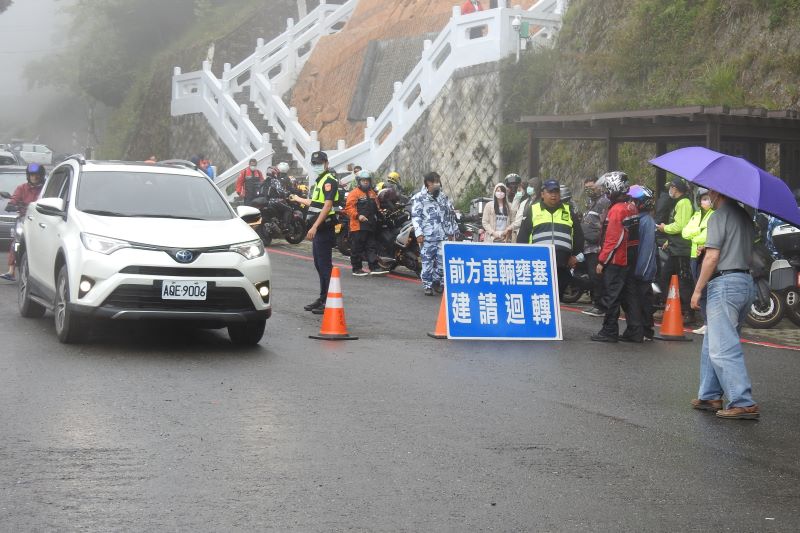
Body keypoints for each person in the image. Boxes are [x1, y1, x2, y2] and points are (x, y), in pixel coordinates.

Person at [690, 189, 758, 420]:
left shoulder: (719, 216)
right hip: (746, 281)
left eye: (710, 192)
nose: (709, 195)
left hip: (725, 283)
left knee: (722, 346)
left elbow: (712, 257)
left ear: (717, 193)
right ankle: (709, 394)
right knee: (714, 339)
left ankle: (743, 401)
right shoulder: (745, 216)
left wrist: (698, 289)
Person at [290, 151, 340, 314]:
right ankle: (322, 298)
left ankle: (328, 301)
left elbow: (327, 206)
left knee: (325, 266)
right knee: (319, 265)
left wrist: (314, 227)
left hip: (324, 228)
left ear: (326, 163)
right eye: (314, 163)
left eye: (319, 163)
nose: (317, 166)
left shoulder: (329, 181)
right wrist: (297, 199)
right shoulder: (320, 181)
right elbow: (315, 203)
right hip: (319, 229)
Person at [516, 179, 584, 298]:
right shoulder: (533, 210)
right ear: (542, 194)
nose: (554, 195)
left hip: (562, 264)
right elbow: (523, 237)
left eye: (556, 192)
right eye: (550, 192)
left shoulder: (568, 211)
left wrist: (576, 257)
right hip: (538, 264)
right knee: (539, 296)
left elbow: (578, 236)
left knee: (556, 299)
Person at [590, 171, 631, 343]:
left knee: (611, 296)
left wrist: (602, 260)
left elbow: (613, 239)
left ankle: (609, 330)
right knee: (621, 296)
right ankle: (632, 329)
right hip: (625, 259)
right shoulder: (629, 207)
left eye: (607, 190)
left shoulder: (616, 210)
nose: (606, 194)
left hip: (614, 260)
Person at [619, 185, 657, 342]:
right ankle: (643, 329)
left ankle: (645, 330)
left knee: (642, 301)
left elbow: (647, 250)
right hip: (637, 268)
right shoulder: (637, 219)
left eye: (633, 201)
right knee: (639, 300)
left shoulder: (646, 221)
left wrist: (641, 272)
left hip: (641, 271)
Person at [411, 172, 458, 296]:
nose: (438, 183)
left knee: (442, 263)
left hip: (442, 235)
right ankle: (427, 284)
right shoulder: (419, 197)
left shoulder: (442, 197)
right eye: (435, 181)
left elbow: (449, 215)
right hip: (427, 236)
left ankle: (437, 281)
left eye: (438, 181)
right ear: (428, 183)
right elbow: (416, 217)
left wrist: (451, 232)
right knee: (427, 262)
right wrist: (418, 233)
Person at [657, 178, 695, 323]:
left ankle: (688, 312)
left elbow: (681, 226)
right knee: (665, 278)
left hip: (682, 249)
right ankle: (673, 308)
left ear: (676, 189)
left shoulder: (684, 203)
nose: (669, 191)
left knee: (684, 280)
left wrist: (664, 228)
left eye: (671, 188)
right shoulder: (679, 203)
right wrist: (668, 241)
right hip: (676, 247)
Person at [2, 163, 46, 281]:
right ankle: (11, 271)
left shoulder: (46, 188)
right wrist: (11, 205)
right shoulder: (22, 188)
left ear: (41, 176)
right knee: (16, 241)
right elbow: (14, 199)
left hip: (41, 221)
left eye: (37, 175)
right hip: (23, 220)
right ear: (28, 176)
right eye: (32, 175)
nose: (34, 177)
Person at [682, 188, 715, 335]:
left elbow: (706, 235)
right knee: (699, 288)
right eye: (703, 198)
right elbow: (685, 232)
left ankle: (710, 323)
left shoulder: (714, 215)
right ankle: (705, 322)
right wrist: (698, 231)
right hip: (694, 256)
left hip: (705, 255)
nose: (705, 201)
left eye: (707, 198)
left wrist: (696, 235)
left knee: (706, 289)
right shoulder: (696, 215)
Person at [344, 170, 388, 276]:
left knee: (371, 246)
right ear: (359, 181)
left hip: (370, 225)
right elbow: (349, 208)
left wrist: (381, 213)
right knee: (357, 247)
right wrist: (358, 216)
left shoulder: (372, 193)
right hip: (358, 226)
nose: (366, 182)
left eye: (367, 180)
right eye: (363, 180)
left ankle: (374, 267)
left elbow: (377, 207)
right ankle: (357, 268)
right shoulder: (354, 193)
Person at [581, 176, 611, 316]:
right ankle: (596, 303)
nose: (590, 190)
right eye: (587, 188)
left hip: (596, 246)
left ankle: (601, 306)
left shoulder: (604, 201)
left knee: (597, 276)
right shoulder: (590, 202)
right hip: (587, 246)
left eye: (592, 187)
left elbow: (604, 223)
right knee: (593, 276)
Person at [510, 177, 539, 242]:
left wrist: (509, 228)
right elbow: (513, 208)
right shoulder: (524, 201)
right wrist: (518, 195)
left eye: (531, 186)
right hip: (518, 232)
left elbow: (519, 221)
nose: (529, 188)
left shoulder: (535, 202)